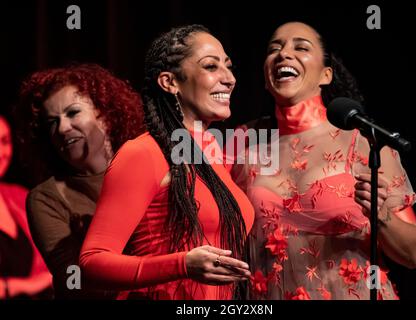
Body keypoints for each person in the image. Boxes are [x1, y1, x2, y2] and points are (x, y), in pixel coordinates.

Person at [229, 22, 416, 300]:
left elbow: (413, 254)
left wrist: (381, 217)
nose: (284, 54)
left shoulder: (364, 143)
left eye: (301, 47)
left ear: (326, 75)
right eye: (275, 48)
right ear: (264, 76)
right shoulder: (244, 143)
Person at [79, 24, 254, 300]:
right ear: (170, 82)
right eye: (211, 66)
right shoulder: (144, 153)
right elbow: (91, 263)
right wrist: (182, 265)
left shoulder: (218, 159)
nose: (229, 78)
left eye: (228, 67)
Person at [15, 63, 145, 299]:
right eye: (52, 122)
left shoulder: (148, 166)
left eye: (73, 113)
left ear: (106, 114)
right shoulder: (47, 198)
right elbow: (73, 281)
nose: (63, 128)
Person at [0, 115, 53, 299]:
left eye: (4, 141)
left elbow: (53, 264)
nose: (0, 152)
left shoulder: (19, 196)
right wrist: (20, 286)